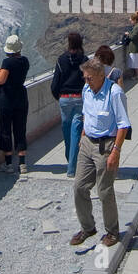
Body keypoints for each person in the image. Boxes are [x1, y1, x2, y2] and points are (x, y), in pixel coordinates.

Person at [72, 59, 130, 248]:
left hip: (106, 146)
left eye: (89, 78)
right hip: (87, 143)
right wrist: (82, 137)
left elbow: (123, 125)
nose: (86, 81)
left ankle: (112, 232)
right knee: (79, 187)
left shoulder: (114, 92)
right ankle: (88, 228)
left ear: (100, 75)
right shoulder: (86, 90)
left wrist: (116, 151)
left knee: (104, 191)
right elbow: (86, 114)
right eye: (85, 78)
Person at [50, 32, 87, 177]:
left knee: (66, 131)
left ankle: (70, 161)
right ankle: (72, 167)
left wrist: (59, 98)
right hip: (79, 99)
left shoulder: (61, 60)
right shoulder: (84, 60)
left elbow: (54, 84)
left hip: (64, 99)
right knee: (76, 132)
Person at [0, 34, 30, 175]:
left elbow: (1, 81)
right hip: (21, 97)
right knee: (20, 128)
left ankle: (8, 164)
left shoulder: (7, 62)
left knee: (5, 130)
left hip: (7, 99)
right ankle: (22, 164)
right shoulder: (25, 61)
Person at [125, 12, 138, 79]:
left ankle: (137, 75)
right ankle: (135, 75)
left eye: (131, 20)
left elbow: (133, 37)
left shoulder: (137, 27)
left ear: (134, 20)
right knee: (134, 62)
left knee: (135, 62)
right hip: (134, 48)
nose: (130, 21)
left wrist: (128, 34)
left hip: (135, 48)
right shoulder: (136, 27)